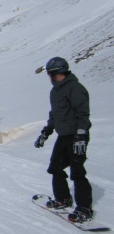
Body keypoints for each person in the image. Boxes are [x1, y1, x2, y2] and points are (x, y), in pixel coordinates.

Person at [34, 57, 93, 222]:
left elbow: (83, 114)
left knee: (77, 171)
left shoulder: (75, 88)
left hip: (76, 135)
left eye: (52, 74)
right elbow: (55, 115)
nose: (50, 77)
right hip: (64, 135)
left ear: (60, 72)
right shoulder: (55, 91)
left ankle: (84, 208)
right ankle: (63, 199)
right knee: (55, 167)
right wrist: (45, 133)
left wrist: (81, 136)